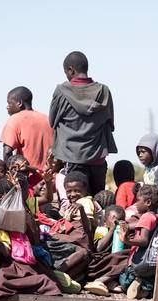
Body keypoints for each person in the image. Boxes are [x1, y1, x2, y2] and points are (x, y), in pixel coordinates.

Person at [49, 51, 117, 195]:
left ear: (70, 70)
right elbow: (110, 123)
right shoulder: (103, 91)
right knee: (98, 202)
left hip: (72, 158)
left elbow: (52, 121)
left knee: (76, 202)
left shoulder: (61, 92)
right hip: (98, 158)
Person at [118, 184, 158, 299]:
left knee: (122, 280)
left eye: (138, 201)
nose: (136, 204)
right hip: (152, 263)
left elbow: (143, 240)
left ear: (148, 202)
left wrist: (127, 240)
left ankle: (134, 282)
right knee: (149, 279)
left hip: (139, 262)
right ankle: (145, 288)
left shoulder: (146, 217)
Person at [1, 86, 54, 171]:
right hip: (49, 178)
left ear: (19, 103)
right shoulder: (48, 119)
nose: (7, 107)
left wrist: (9, 176)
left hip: (29, 179)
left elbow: (7, 152)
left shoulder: (15, 120)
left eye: (9, 103)